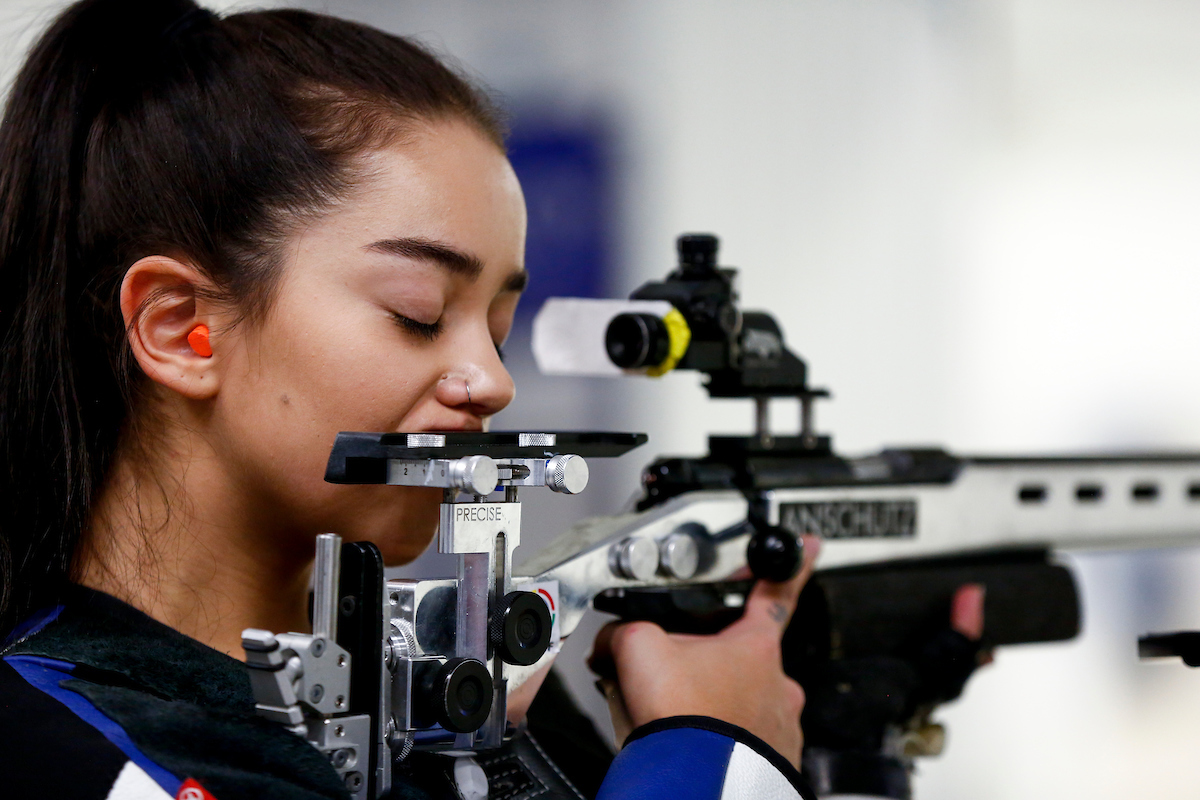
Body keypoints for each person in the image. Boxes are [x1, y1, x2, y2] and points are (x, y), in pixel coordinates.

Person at [0, 2, 820, 798]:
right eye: (418, 314)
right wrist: (715, 752)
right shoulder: (56, 747)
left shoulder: (475, 700)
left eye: (498, 331)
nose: (494, 382)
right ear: (182, 330)